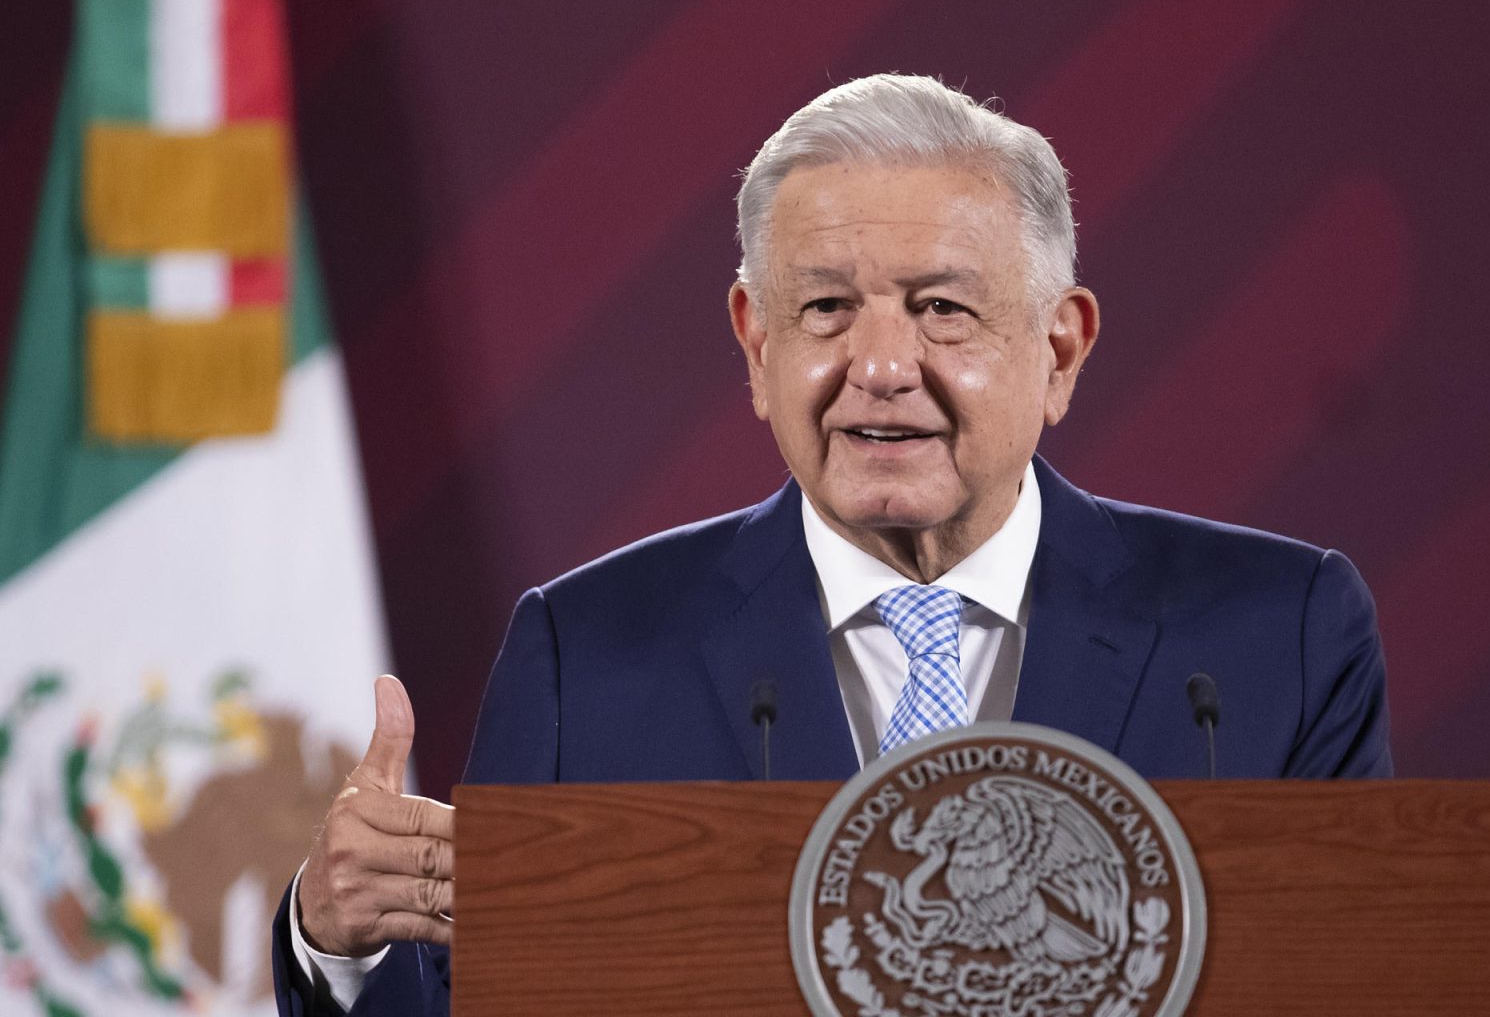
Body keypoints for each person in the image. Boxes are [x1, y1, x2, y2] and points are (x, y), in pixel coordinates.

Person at [272, 73, 1391, 1016]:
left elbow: (1372, 980)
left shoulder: (1272, 636)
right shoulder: (591, 654)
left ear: (1060, 349)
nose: (883, 365)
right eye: (824, 311)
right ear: (755, 345)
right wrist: (341, 935)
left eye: (942, 307)